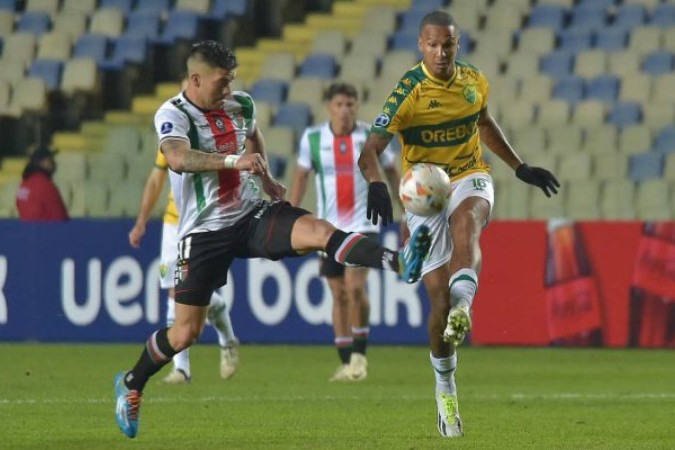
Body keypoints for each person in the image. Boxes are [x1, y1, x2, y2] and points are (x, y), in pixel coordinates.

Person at [113, 40, 432, 439]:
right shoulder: (173, 114)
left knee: (320, 232)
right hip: (203, 234)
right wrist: (235, 162)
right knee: (184, 334)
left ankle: (397, 261)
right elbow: (178, 159)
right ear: (195, 79)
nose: (228, 90)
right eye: (221, 82)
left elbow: (254, 137)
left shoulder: (240, 104)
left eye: (231, 81)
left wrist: (263, 177)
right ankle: (131, 383)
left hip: (250, 214)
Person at [358, 11, 560, 438]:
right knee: (437, 305)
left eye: (448, 44)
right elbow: (370, 150)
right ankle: (445, 388)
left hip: (469, 175)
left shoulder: (473, 81)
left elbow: (483, 123)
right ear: (421, 45)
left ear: (457, 43)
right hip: (423, 192)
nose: (441, 52)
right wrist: (377, 184)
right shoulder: (408, 92)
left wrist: (519, 166)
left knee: (467, 220)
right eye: (433, 44)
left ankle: (465, 308)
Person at [289, 82, 400, 382]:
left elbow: (391, 172)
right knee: (337, 294)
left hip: (364, 224)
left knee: (354, 287)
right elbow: (300, 178)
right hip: (327, 230)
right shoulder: (312, 138)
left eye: (351, 104)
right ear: (329, 107)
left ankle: (360, 356)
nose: (345, 110)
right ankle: (345, 360)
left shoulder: (369, 137)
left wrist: (404, 208)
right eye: (339, 104)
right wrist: (288, 215)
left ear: (358, 106)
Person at [128, 147, 240, 384]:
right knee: (176, 291)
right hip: (173, 223)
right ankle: (182, 369)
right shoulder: (171, 138)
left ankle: (228, 340)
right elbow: (156, 178)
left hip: (205, 222)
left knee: (196, 293)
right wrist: (141, 222)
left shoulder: (209, 133)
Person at [15, 147, 69, 221]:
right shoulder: (45, 184)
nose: (53, 162)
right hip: (47, 230)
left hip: (27, 230)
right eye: (50, 159)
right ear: (41, 162)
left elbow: (20, 205)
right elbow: (59, 214)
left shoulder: (24, 185)